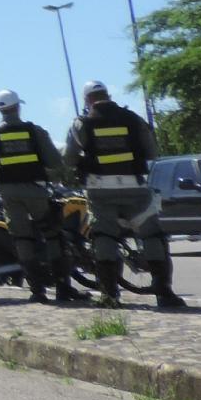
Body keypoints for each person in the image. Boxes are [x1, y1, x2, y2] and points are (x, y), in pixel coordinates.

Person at [64, 81, 183, 310]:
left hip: (100, 190)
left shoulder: (81, 124)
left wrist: (83, 162)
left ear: (87, 100)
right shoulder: (132, 119)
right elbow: (151, 152)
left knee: (104, 237)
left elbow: (68, 159)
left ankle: (110, 296)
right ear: (108, 95)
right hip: (135, 187)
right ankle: (164, 293)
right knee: (152, 236)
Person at [0, 90, 80, 304]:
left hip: (8, 193)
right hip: (36, 190)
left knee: (22, 239)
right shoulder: (35, 131)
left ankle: (37, 290)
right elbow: (55, 161)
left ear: (0, 109)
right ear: (18, 107)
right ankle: (62, 287)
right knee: (52, 234)